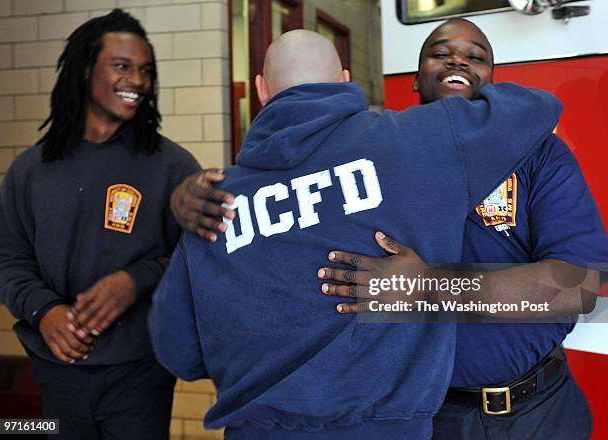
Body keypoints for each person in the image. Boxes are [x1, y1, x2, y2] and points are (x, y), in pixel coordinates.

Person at [150, 29, 561, 439]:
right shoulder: (418, 138)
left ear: (261, 91)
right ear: (344, 81)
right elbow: (539, 107)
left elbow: (179, 353)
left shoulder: (209, 207)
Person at [314, 19, 608, 440]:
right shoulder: (371, 155)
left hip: (539, 413)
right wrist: (187, 193)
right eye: (439, 53)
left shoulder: (540, 152)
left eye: (476, 57)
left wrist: (428, 289)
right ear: (415, 79)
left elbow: (577, 286)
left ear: (493, 80)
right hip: (420, 417)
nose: (457, 60)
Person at [0, 9, 200, 440]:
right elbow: (7, 259)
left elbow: (198, 260)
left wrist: (135, 280)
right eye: (122, 66)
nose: (139, 81)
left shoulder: (173, 167)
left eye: (146, 70)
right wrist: (43, 310)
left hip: (141, 373)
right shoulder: (30, 170)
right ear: (86, 70)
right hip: (54, 369)